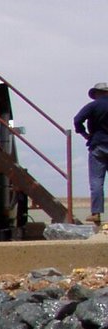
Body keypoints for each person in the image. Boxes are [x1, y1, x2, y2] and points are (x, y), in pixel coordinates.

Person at [74, 81, 108, 227]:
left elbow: (77, 120)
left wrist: (84, 134)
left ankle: (96, 214)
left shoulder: (93, 106)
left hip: (98, 145)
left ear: (97, 93)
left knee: (96, 181)